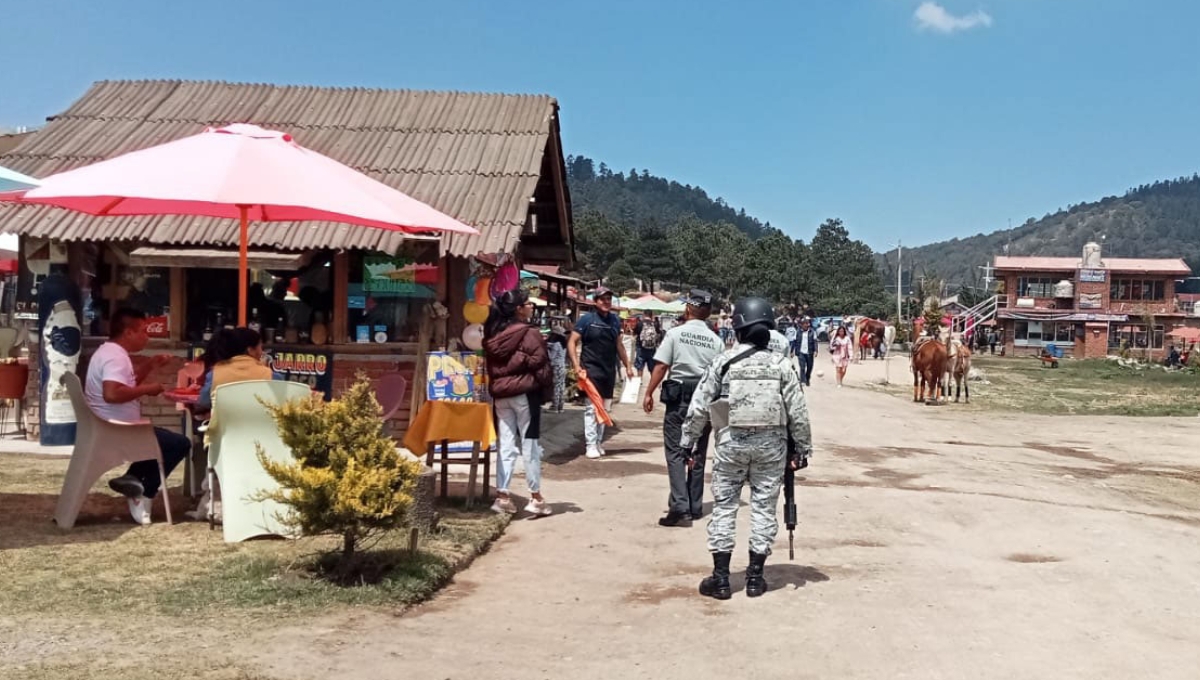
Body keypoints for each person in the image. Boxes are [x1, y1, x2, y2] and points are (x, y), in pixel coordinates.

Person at [680, 297, 812, 600]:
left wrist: (689, 443)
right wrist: (802, 449)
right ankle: (755, 578)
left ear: (737, 328)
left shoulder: (722, 362)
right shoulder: (782, 365)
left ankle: (722, 579)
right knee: (764, 509)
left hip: (730, 447)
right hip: (771, 450)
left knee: (725, 507)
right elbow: (798, 411)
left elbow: (699, 407)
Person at [87, 308, 190, 525]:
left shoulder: (109, 352)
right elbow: (112, 393)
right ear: (128, 333)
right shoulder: (115, 357)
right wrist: (148, 389)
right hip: (117, 430)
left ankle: (132, 479)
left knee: (164, 440)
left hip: (113, 426)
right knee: (179, 443)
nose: (148, 336)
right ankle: (143, 493)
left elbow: (127, 384)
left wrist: (151, 365)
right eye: (143, 331)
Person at [642, 289, 723, 527]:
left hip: (679, 399)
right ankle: (694, 505)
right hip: (705, 399)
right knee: (697, 453)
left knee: (676, 453)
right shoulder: (716, 341)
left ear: (688, 308)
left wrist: (648, 392)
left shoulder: (675, 334)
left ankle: (679, 507)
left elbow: (661, 366)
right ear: (707, 312)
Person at [484, 290, 553, 516]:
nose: (531, 307)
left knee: (505, 445)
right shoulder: (529, 333)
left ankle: (502, 495)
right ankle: (536, 497)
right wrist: (544, 386)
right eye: (528, 304)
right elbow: (540, 361)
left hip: (501, 395)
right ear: (518, 309)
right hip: (525, 393)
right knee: (530, 445)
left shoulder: (493, 333)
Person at [568, 287, 634, 459]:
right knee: (591, 408)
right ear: (595, 301)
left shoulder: (614, 320)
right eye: (602, 299)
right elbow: (572, 342)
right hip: (590, 370)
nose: (606, 302)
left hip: (609, 370)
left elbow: (619, 345)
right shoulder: (586, 320)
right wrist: (576, 365)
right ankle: (590, 444)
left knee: (604, 408)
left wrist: (627, 365)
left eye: (608, 299)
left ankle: (598, 442)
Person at [546, 319, 569, 413]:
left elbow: (552, 357)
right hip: (562, 366)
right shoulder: (563, 344)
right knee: (561, 386)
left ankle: (554, 407)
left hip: (556, 366)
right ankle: (560, 406)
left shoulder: (555, 345)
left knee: (555, 386)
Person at [633, 312, 662, 378]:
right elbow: (659, 334)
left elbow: (635, 333)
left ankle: (639, 381)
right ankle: (653, 383)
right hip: (652, 349)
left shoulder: (640, 323)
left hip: (641, 348)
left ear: (644, 315)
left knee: (640, 366)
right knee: (652, 367)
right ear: (651, 315)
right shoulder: (655, 324)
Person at [793, 317, 818, 387]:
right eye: (804, 324)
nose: (806, 325)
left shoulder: (812, 332)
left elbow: (815, 341)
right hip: (801, 352)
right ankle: (802, 381)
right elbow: (794, 342)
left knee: (810, 367)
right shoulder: (797, 332)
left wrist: (816, 350)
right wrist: (792, 351)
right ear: (801, 325)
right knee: (802, 367)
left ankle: (807, 378)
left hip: (809, 352)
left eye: (807, 323)